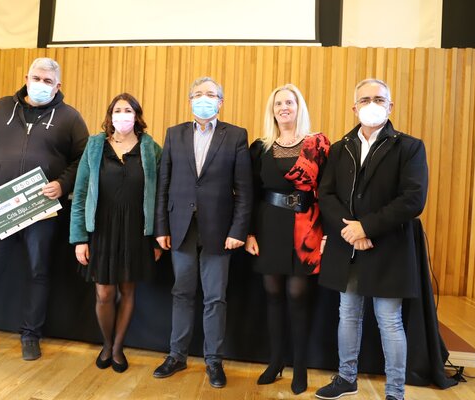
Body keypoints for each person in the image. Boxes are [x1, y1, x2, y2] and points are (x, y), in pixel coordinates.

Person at [0, 57, 89, 361]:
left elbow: (83, 159)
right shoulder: (0, 108)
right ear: (26, 78)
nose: (41, 85)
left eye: (48, 81)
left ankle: (30, 336)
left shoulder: (70, 118)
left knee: (38, 273)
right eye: (36, 78)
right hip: (0, 209)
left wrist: (62, 184)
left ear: (58, 86)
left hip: (42, 211)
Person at [315, 79, 429, 400]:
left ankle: (395, 392)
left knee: (389, 321)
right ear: (354, 108)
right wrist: (351, 231)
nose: (372, 104)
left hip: (389, 246)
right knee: (348, 314)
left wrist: (366, 228)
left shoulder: (409, 147)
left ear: (390, 106)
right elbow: (326, 194)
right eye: (364, 99)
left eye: (379, 99)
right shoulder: (340, 148)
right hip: (348, 246)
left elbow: (413, 199)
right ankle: (346, 378)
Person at [152, 77, 252, 388]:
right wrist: (160, 227)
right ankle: (177, 355)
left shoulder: (235, 135)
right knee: (181, 292)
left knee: (215, 297)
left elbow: (245, 189)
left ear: (220, 102)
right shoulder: (174, 134)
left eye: (210, 94)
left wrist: (238, 229)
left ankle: (214, 361)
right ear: (190, 100)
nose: (203, 98)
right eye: (198, 94)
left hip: (219, 230)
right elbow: (163, 185)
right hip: (180, 227)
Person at [244, 84, 329, 394]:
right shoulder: (260, 147)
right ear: (273, 110)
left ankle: (300, 367)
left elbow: (327, 191)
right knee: (273, 295)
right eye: (278, 103)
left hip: (305, 229)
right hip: (268, 227)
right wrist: (249, 232)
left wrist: (328, 233)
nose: (284, 107)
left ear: (298, 107)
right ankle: (276, 361)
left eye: (289, 102)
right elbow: (251, 193)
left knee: (297, 295)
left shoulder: (317, 144)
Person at [70, 93, 162, 373]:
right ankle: (107, 344)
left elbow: (161, 197)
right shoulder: (95, 145)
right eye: (117, 110)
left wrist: (158, 238)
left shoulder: (151, 148)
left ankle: (118, 347)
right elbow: (80, 192)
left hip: (137, 230)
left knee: (128, 290)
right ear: (110, 115)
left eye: (128, 110)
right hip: (101, 229)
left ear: (137, 115)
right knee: (104, 293)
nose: (123, 115)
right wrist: (79, 238)